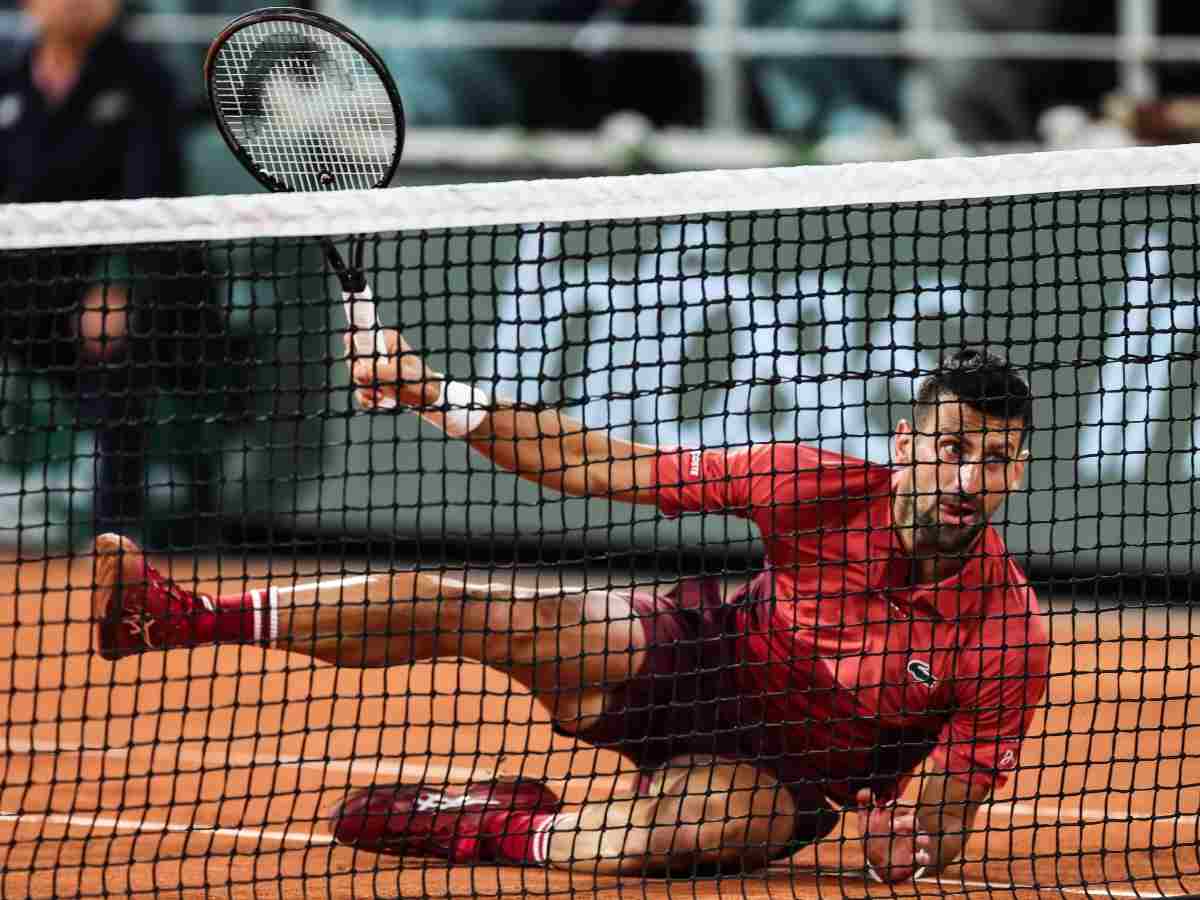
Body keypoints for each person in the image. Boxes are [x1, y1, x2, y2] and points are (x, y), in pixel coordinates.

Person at [89, 339, 1049, 882]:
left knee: (691, 838)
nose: (967, 477)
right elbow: (600, 465)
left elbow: (942, 827)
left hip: (789, 776)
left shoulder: (1008, 636)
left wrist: (903, 844)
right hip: (704, 657)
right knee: (503, 614)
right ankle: (183, 616)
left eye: (994, 459)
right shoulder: (814, 485)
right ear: (906, 441)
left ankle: (491, 825)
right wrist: (437, 395)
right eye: (951, 445)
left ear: (1017, 473)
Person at [0, 0, 220, 539]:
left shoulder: (143, 79)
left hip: (140, 282)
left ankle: (114, 532)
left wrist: (115, 280)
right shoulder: (7, 80)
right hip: (27, 284)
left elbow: (151, 196)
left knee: (117, 338)